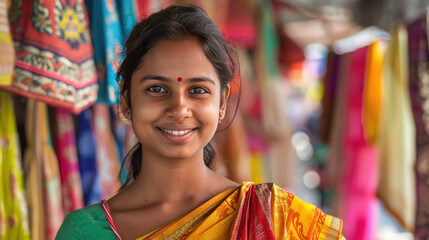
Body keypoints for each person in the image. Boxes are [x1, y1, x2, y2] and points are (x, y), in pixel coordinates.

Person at [56, 5, 345, 240]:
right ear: (126, 102)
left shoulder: (275, 219)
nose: (179, 108)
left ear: (221, 104)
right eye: (157, 88)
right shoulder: (84, 232)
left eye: (198, 90)